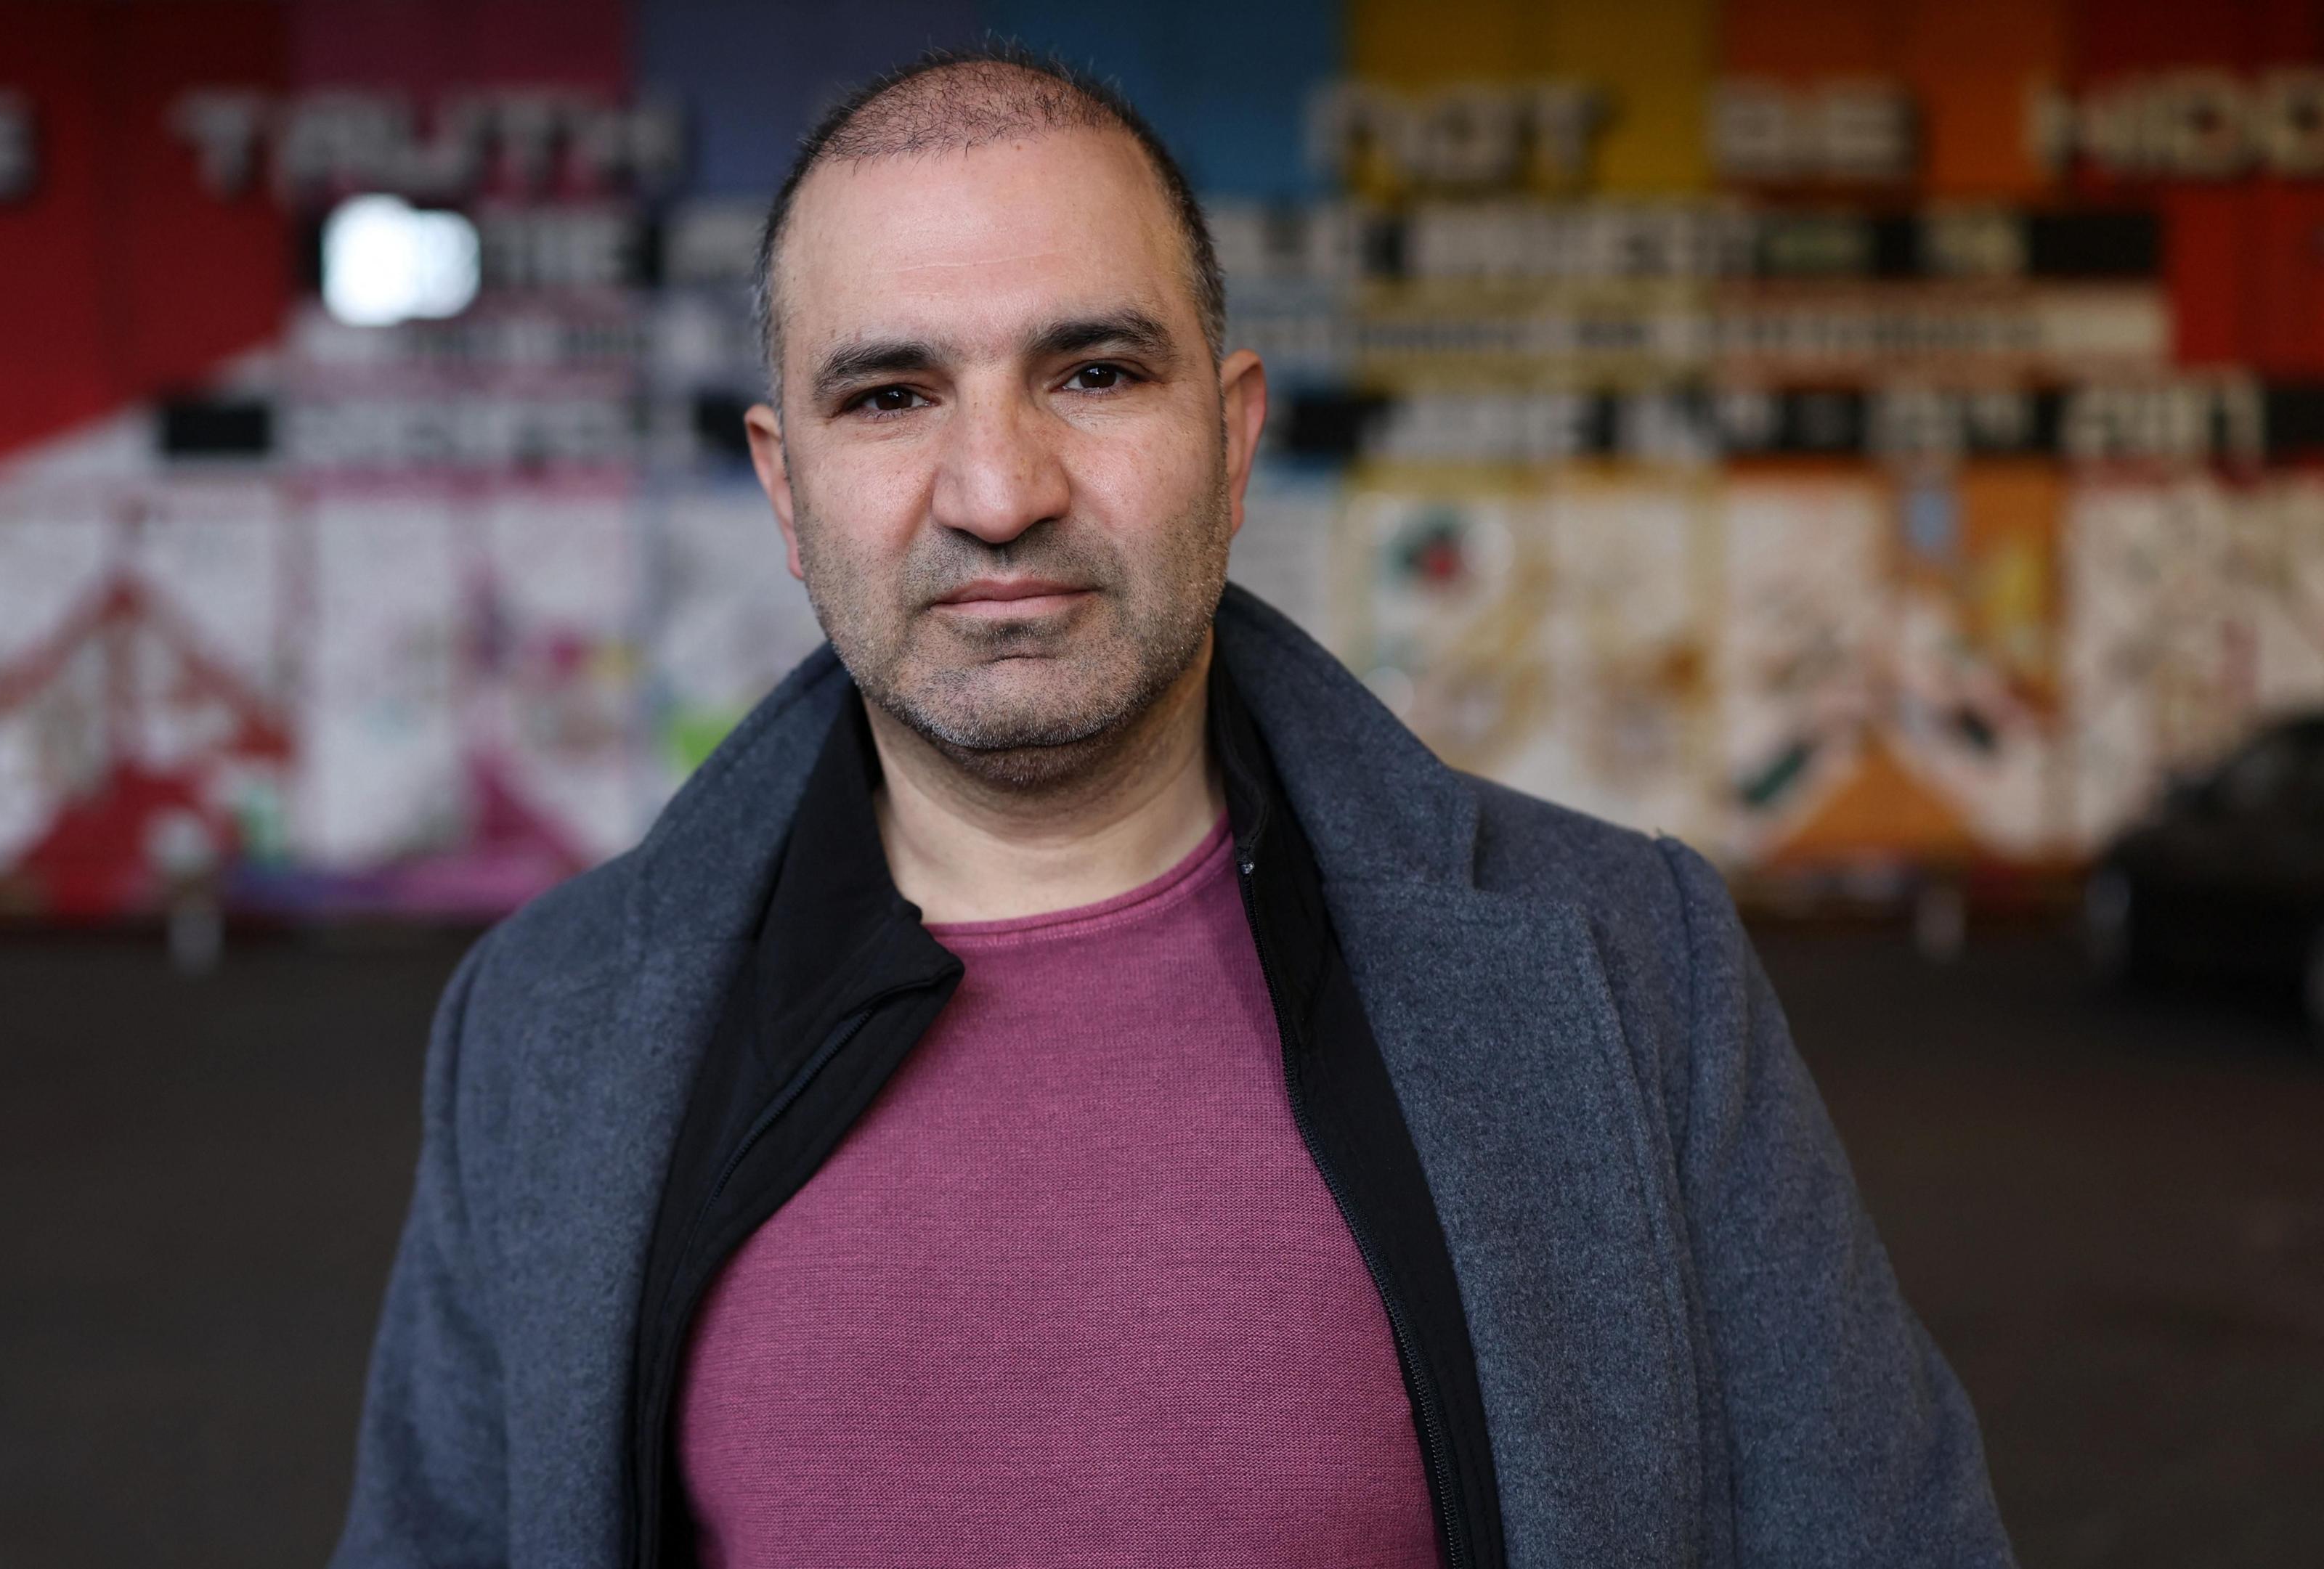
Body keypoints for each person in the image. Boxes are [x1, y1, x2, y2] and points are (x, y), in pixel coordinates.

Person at [332, 44, 2012, 1569]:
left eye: (1094, 372)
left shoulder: (1638, 971)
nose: (999, 493)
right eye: (892, 394)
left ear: (1232, 435)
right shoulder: (543, 1027)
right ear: (787, 485)